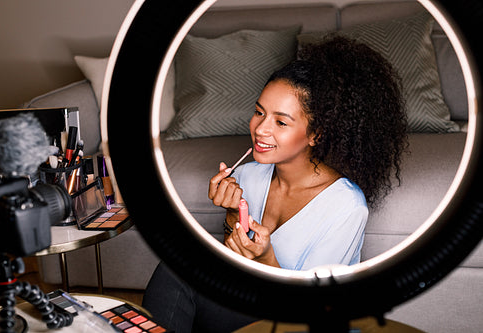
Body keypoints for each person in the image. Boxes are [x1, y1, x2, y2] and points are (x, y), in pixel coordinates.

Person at [143, 36, 408, 332]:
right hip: (251, 308)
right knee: (179, 261)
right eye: (259, 112)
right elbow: (235, 267)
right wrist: (232, 215)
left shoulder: (346, 206)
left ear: (316, 134)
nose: (260, 129)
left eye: (280, 122)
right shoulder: (247, 177)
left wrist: (267, 258)